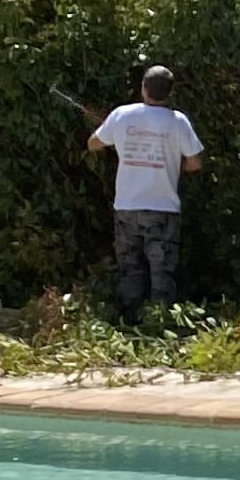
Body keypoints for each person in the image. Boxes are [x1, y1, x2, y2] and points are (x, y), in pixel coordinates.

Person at [91, 65, 204, 313]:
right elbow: (195, 162)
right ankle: (160, 323)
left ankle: (129, 322)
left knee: (130, 269)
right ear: (170, 93)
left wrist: (114, 129)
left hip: (127, 207)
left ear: (143, 88)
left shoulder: (122, 115)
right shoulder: (178, 122)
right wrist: (175, 165)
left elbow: (93, 143)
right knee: (162, 272)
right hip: (163, 208)